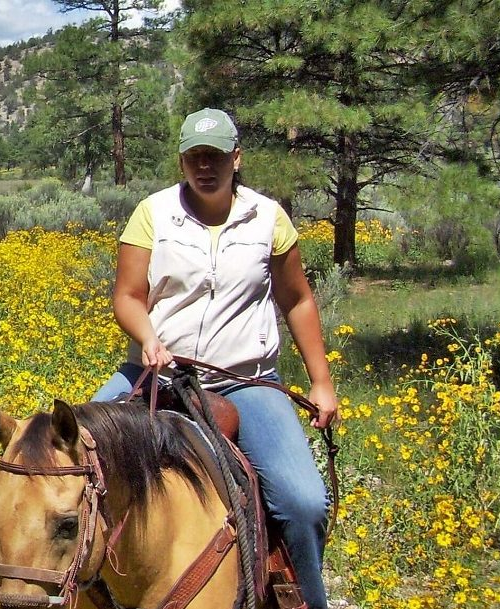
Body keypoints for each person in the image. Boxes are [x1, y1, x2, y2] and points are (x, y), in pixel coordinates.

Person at [90, 108, 339, 609]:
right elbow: (127, 295)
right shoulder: (152, 214)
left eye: (216, 157)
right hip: (156, 373)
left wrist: (321, 381)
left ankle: (304, 600)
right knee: (79, 457)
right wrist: (149, 337)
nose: (205, 167)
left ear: (236, 158)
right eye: (195, 157)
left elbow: (298, 300)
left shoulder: (268, 218)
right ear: (182, 160)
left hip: (245, 381)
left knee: (302, 501)